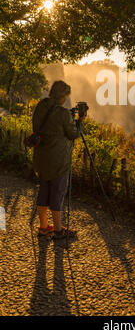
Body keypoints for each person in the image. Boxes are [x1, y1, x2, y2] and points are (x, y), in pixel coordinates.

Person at [33, 80, 84, 239]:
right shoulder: (63, 114)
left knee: (43, 192)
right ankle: (59, 230)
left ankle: (43, 227)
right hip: (58, 161)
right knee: (57, 193)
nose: (65, 100)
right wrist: (80, 121)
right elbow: (73, 134)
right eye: (65, 96)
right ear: (62, 95)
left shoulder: (41, 106)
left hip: (41, 158)